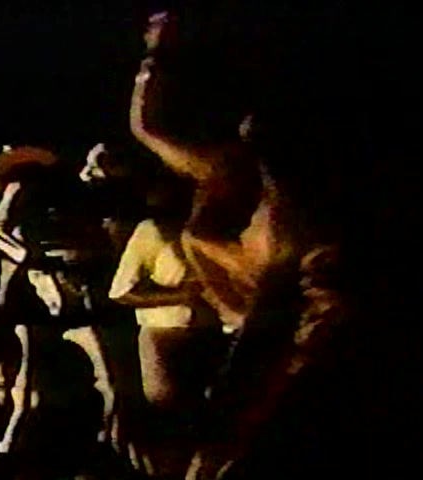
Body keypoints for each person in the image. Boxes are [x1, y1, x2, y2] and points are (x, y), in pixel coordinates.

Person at [128, 12, 350, 479]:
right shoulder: (234, 178)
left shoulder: (295, 188)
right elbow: (152, 131)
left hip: (314, 373)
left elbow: (301, 313)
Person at [0, 145, 116, 454]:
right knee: (28, 376)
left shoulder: (65, 201)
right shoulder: (21, 189)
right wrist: (29, 257)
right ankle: (11, 443)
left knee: (105, 373)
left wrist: (74, 255)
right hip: (32, 293)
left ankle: (107, 439)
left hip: (69, 290)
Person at [107, 178, 226, 478]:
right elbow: (122, 291)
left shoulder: (217, 227)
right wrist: (181, 296)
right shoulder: (153, 231)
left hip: (212, 335)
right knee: (169, 419)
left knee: (211, 420)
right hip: (165, 337)